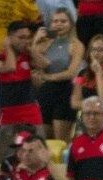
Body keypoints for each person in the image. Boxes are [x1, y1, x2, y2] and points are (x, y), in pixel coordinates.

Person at [0, 21, 46, 155]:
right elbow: (10, 67)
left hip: (31, 111)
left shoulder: (28, 56)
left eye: (28, 37)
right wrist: (8, 49)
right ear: (9, 38)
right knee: (8, 155)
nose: (25, 41)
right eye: (21, 37)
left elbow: (44, 64)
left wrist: (31, 48)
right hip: (9, 113)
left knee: (40, 152)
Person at [32, 9, 85, 141]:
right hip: (45, 93)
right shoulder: (43, 43)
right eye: (55, 21)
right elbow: (35, 64)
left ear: (71, 24)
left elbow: (71, 72)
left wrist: (47, 77)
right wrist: (35, 41)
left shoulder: (76, 45)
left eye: (63, 21)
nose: (59, 24)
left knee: (60, 141)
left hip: (65, 92)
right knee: (44, 139)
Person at [70, 34, 103, 108]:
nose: (96, 53)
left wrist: (98, 73)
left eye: (101, 50)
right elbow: (74, 103)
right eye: (93, 49)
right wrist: (94, 105)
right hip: (87, 113)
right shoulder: (82, 73)